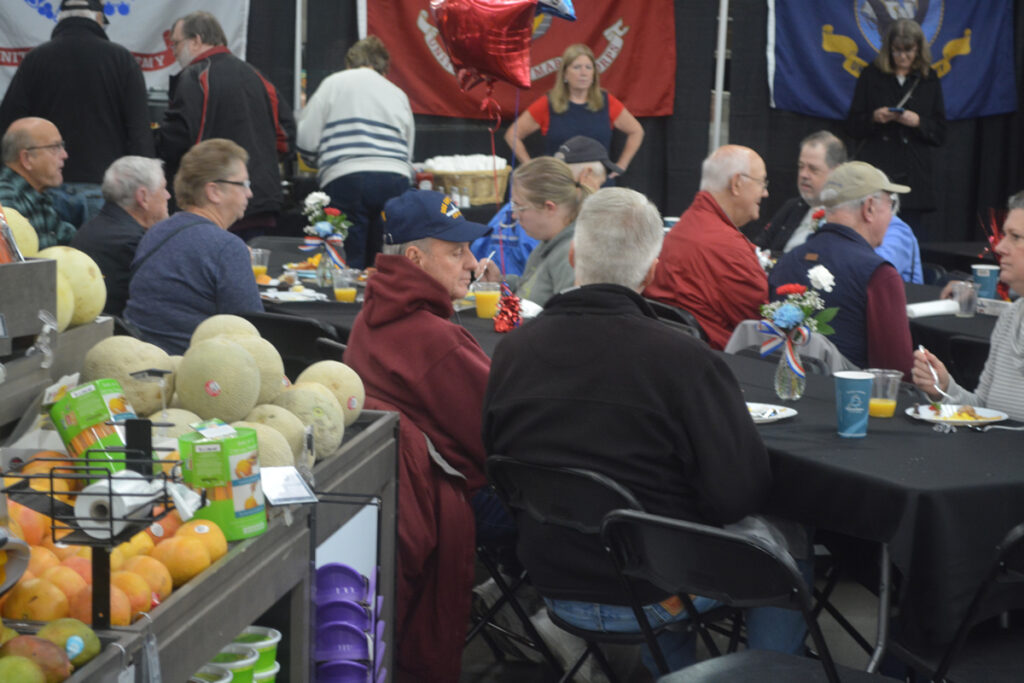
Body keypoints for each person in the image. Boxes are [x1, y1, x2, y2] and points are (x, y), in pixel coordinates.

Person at [483, 187, 810, 675]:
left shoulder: (510, 352)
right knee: (790, 542)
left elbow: (501, 471)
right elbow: (737, 496)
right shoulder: (687, 361)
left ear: (573, 256)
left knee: (663, 534)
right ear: (653, 271)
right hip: (656, 590)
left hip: (551, 581)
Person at [342, 190, 492, 682]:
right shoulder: (436, 340)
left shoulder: (371, 317)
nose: (471, 263)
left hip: (393, 500)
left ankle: (502, 606)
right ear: (413, 258)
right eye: (456, 252)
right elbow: (499, 436)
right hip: (454, 495)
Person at [0, 0, 154, 228]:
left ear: (61, 19)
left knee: (47, 259)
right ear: (99, 20)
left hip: (45, 190)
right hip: (105, 189)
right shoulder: (122, 60)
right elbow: (139, 132)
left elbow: (8, 125)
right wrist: (146, 188)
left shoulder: (35, 60)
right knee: (99, 262)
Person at [156, 11, 295, 241]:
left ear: (197, 40)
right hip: (260, 199)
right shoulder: (257, 76)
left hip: (214, 203)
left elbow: (177, 140)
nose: (174, 52)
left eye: (176, 44)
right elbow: (286, 134)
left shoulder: (194, 76)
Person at [770, 161, 914, 375]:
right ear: (869, 208)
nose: (891, 216)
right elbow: (896, 373)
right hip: (849, 401)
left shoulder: (787, 262)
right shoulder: (879, 275)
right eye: (890, 205)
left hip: (787, 391)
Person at [124, 139, 262, 354]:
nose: (250, 193)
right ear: (214, 191)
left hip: (139, 357)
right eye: (243, 184)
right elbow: (252, 336)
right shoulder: (227, 247)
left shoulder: (155, 233)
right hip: (194, 370)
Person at [297, 36, 414, 270]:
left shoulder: (334, 83)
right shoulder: (398, 93)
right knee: (385, 262)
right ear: (384, 68)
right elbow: (407, 152)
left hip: (346, 179)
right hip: (394, 180)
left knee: (348, 261)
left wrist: (314, 160)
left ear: (349, 63)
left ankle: (347, 304)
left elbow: (305, 138)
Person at [643, 145, 769, 349]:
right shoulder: (728, 248)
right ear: (736, 183)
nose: (765, 193)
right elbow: (762, 327)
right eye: (761, 182)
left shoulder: (683, 228)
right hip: (716, 363)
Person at [912, 191, 1024, 422]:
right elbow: (984, 409)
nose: (1000, 247)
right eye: (1004, 235)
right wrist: (943, 388)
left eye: (1015, 237)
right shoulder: (1011, 318)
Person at [755, 131, 923, 282]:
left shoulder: (896, 230)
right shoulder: (795, 206)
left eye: (813, 169)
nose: (804, 175)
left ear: (869, 206)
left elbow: (869, 272)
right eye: (801, 167)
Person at [847, 18, 946, 238]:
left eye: (909, 51)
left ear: (919, 49)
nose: (903, 57)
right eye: (897, 51)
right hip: (879, 170)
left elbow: (940, 132)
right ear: (888, 49)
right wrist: (874, 117)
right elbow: (852, 125)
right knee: (871, 234)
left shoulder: (928, 79)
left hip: (914, 174)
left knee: (909, 237)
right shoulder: (871, 75)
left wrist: (918, 122)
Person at [471, 135, 614, 277]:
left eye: (518, 207)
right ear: (586, 175)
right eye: (599, 184)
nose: (514, 213)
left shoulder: (554, 241)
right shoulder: (552, 238)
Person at [504, 44, 643, 176]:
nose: (583, 73)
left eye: (588, 67)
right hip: (560, 185)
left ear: (594, 74)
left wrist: (622, 164)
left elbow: (637, 131)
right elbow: (512, 135)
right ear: (565, 74)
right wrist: (531, 167)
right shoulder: (548, 103)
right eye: (577, 67)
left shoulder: (607, 102)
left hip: (597, 184)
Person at [481, 157, 591, 307]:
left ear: (549, 208)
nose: (514, 215)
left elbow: (568, 319)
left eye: (520, 207)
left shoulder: (570, 255)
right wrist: (500, 282)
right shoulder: (547, 244)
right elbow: (531, 290)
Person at [71, 157, 170, 316]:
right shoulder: (134, 244)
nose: (168, 196)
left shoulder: (92, 228)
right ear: (143, 197)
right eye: (163, 188)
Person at [0, 117, 75, 248]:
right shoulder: (5, 199)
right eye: (55, 147)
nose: (65, 155)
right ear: (26, 158)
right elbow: (14, 260)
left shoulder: (38, 193)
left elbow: (66, 239)